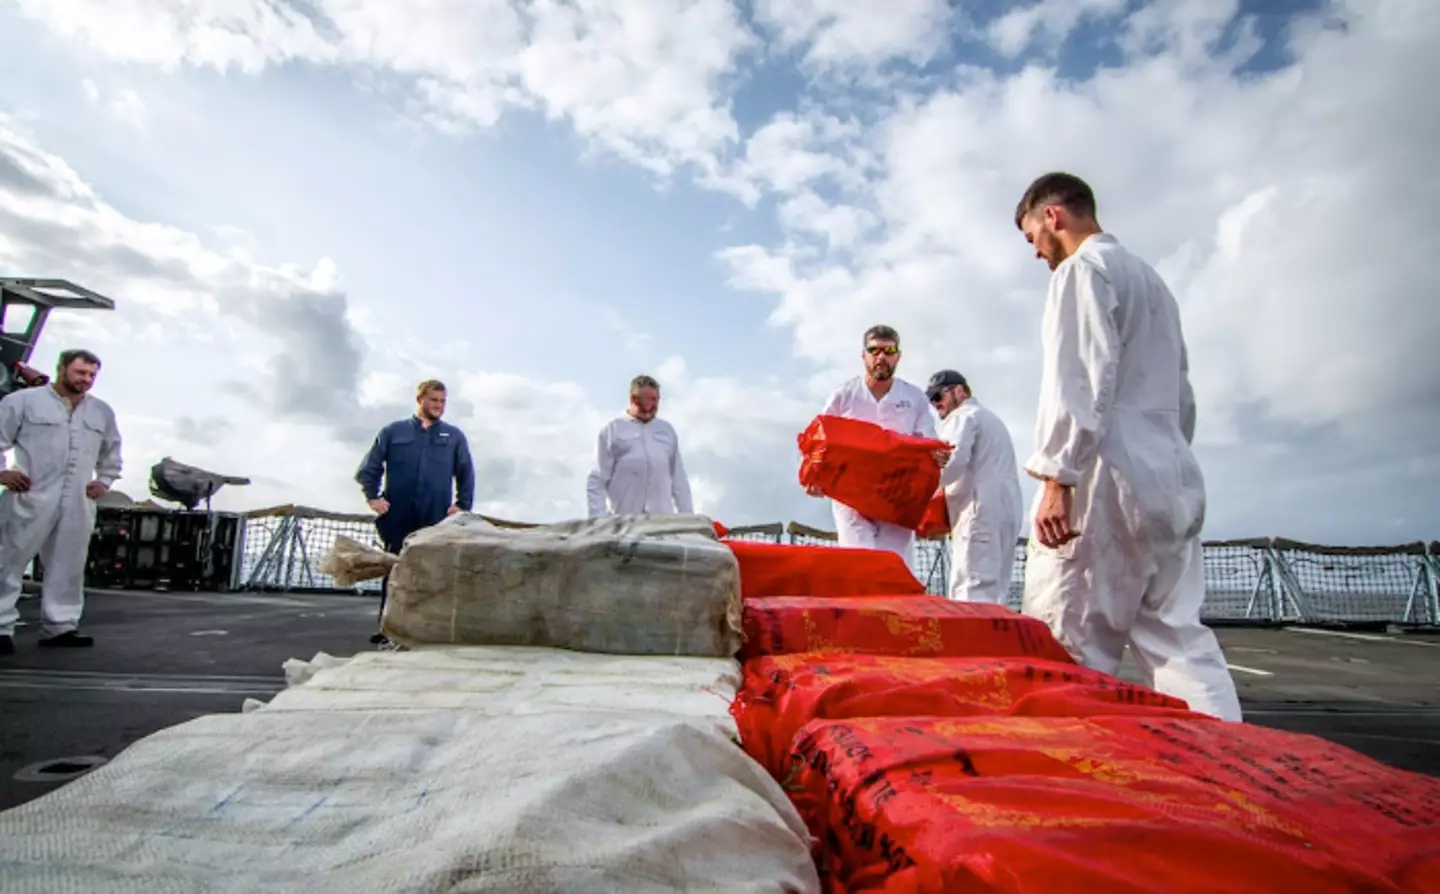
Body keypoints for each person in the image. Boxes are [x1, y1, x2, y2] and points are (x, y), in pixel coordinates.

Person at [1012, 171, 1242, 722]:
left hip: (1103, 484)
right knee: (1180, 640)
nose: (1037, 254)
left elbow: (1079, 379)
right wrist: (1163, 460)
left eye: (1031, 239)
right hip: (1170, 476)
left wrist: (1057, 479)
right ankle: (1234, 762)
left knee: (1067, 641)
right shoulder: (1154, 285)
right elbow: (1182, 395)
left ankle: (1072, 779)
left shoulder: (1081, 273)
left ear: (1053, 217)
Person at [0, 349, 123, 654]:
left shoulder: (101, 412)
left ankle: (61, 625)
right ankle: (0, 626)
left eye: (92, 375)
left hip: (78, 498)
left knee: (69, 563)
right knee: (9, 558)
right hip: (31, 492)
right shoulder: (23, 402)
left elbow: (112, 452)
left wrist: (104, 481)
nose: (86, 380)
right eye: (80, 372)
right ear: (61, 369)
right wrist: (2, 472)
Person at [808, 325, 947, 564]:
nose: (881, 357)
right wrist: (814, 476)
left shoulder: (915, 398)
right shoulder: (843, 396)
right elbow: (819, 440)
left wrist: (938, 455)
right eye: (874, 350)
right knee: (858, 562)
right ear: (864, 355)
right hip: (851, 496)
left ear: (898, 356)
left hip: (897, 496)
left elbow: (928, 442)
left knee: (893, 564)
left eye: (888, 350)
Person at [355, 379, 475, 641]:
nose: (439, 406)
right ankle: (389, 629)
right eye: (434, 400)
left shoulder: (454, 436)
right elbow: (369, 468)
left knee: (434, 571)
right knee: (395, 568)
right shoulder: (393, 432)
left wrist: (462, 505)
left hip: (435, 516)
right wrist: (373, 498)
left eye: (443, 401)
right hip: (397, 513)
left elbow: (466, 473)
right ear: (420, 399)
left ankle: (429, 629)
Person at [925, 370, 1024, 605]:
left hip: (977, 515)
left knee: (970, 590)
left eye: (938, 397)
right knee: (995, 591)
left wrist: (917, 493)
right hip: (1005, 515)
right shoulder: (992, 420)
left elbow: (953, 464)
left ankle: (972, 642)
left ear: (959, 391)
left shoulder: (962, 416)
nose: (935, 405)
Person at [586, 375, 694, 517]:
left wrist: (687, 518)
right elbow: (597, 480)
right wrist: (598, 521)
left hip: (662, 523)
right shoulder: (612, 430)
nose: (656, 405)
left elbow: (678, 480)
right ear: (634, 399)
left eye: (657, 399)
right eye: (651, 399)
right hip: (625, 524)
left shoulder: (667, 431)